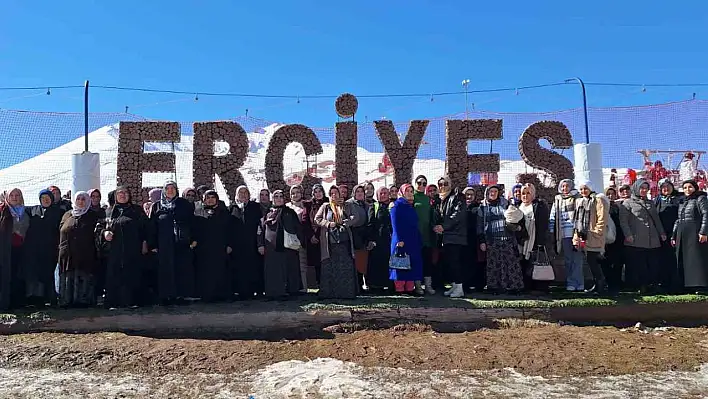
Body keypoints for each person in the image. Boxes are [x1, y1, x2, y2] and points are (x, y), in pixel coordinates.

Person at [149, 181, 197, 304]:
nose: (170, 191)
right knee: (165, 269)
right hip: (164, 243)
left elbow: (193, 223)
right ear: (164, 191)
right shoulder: (157, 206)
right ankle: (166, 296)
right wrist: (153, 244)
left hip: (182, 242)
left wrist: (193, 239)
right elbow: (152, 226)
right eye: (167, 188)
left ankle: (181, 296)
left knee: (181, 268)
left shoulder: (184, 204)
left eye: (173, 188)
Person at [101, 187, 149, 308]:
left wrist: (145, 243)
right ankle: (114, 302)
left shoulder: (136, 210)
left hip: (133, 248)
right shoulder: (109, 211)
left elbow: (145, 228)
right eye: (120, 193)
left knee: (132, 274)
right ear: (115, 196)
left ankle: (132, 301)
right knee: (114, 275)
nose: (123, 195)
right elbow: (101, 227)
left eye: (126, 193)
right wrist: (104, 233)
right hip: (114, 250)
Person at [619, 179, 667, 294]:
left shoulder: (650, 203)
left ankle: (654, 284)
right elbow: (623, 221)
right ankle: (642, 285)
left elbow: (656, 220)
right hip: (637, 239)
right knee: (640, 264)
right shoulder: (627, 203)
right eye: (642, 188)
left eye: (646, 188)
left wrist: (662, 233)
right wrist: (628, 234)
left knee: (653, 263)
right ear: (636, 188)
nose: (644, 190)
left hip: (653, 238)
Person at [314, 186, 358, 299]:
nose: (334, 195)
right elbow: (317, 219)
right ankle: (329, 293)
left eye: (336, 193)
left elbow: (355, 217)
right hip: (330, 242)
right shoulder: (326, 206)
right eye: (331, 193)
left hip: (344, 241)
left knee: (344, 267)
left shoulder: (347, 205)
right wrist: (328, 224)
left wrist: (346, 222)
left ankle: (346, 293)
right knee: (330, 267)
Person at [478, 185, 523, 294]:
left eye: (495, 191)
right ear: (487, 193)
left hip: (507, 238)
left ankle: (513, 287)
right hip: (491, 239)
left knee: (511, 264)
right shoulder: (482, 207)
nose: (493, 193)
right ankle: (494, 287)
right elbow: (479, 225)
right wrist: (482, 241)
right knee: (494, 265)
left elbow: (514, 217)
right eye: (491, 191)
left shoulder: (506, 204)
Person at [58, 192, 100, 307]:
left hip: (85, 253)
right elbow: (61, 231)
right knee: (68, 275)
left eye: (83, 199)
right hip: (67, 253)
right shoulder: (67, 215)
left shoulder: (92, 215)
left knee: (84, 275)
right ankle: (67, 300)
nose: (81, 201)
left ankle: (83, 301)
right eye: (78, 199)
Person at [258, 190, 303, 299]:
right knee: (274, 270)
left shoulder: (290, 212)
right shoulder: (267, 213)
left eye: (281, 196)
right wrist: (260, 245)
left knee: (290, 269)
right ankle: (274, 292)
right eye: (276, 196)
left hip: (288, 247)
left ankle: (291, 290)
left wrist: (300, 241)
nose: (278, 199)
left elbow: (298, 228)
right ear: (272, 199)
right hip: (271, 248)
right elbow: (260, 229)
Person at [23, 189, 63, 306]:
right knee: (35, 274)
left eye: (48, 198)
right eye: (43, 198)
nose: (45, 200)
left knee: (49, 273)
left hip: (51, 248)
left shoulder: (58, 212)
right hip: (34, 249)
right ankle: (35, 299)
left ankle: (51, 298)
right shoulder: (33, 210)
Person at [193, 190, 234, 302]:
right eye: (207, 197)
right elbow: (195, 230)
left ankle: (222, 294)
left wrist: (230, 244)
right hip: (204, 248)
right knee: (206, 272)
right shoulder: (198, 212)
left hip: (220, 247)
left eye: (212, 197)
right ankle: (207, 295)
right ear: (204, 199)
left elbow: (230, 231)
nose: (210, 200)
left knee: (221, 271)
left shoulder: (224, 212)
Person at [572, 181, 609, 293]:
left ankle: (601, 284)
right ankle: (597, 284)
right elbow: (577, 219)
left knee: (593, 260)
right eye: (581, 189)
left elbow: (601, 217)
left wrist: (597, 231)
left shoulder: (598, 199)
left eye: (585, 188)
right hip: (583, 235)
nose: (583, 191)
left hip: (594, 235)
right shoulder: (581, 201)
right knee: (590, 261)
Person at [672, 180, 708, 291]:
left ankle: (700, 285)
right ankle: (686, 285)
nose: (687, 190)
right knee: (685, 258)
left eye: (690, 187)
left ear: (695, 188)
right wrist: (674, 235)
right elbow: (678, 220)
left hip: (695, 232)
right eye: (685, 188)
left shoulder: (700, 198)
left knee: (696, 258)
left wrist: (703, 232)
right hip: (683, 233)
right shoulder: (682, 201)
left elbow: (706, 214)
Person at [230, 185, 264, 299]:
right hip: (238, 246)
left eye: (245, 192)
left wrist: (260, 243)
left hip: (253, 244)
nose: (243, 194)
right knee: (239, 269)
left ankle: (257, 290)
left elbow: (260, 225)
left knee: (254, 267)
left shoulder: (255, 207)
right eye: (241, 192)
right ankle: (241, 292)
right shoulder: (232, 208)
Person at [390, 184, 424, 295]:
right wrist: (400, 239)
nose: (410, 193)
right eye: (407, 191)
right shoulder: (397, 206)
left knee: (411, 263)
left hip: (412, 239)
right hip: (401, 240)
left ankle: (409, 288)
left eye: (411, 191)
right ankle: (400, 289)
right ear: (402, 193)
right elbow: (395, 224)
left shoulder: (410, 206)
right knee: (400, 263)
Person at [550, 179, 583, 291]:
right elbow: (553, 215)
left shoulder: (577, 198)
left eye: (567, 186)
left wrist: (579, 232)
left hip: (576, 234)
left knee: (577, 259)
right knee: (568, 259)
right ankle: (571, 282)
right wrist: (551, 230)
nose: (565, 188)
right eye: (563, 186)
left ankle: (579, 282)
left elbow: (581, 214)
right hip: (563, 234)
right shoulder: (558, 199)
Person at [517, 183, 551, 293]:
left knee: (535, 263)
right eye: (523, 193)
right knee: (523, 264)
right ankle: (524, 286)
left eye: (528, 193)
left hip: (535, 241)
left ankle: (538, 287)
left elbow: (543, 224)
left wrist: (541, 241)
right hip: (521, 241)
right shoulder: (518, 206)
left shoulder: (539, 205)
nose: (525, 196)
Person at [0, 189, 29, 309]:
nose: (14, 197)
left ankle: (17, 303)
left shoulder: (26, 212)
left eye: (17, 195)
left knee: (18, 275)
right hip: (4, 249)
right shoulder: (3, 211)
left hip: (21, 249)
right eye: (11, 195)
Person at [438, 186, 467, 298]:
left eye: (445, 183)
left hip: (456, 236)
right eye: (440, 184)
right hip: (448, 236)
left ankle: (459, 288)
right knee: (450, 262)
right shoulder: (443, 199)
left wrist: (443, 227)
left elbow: (457, 215)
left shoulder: (457, 197)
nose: (443, 186)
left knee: (455, 263)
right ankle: (455, 286)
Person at [655, 179, 683, 291]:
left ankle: (678, 284)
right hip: (662, 235)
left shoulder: (680, 199)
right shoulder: (657, 200)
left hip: (677, 233)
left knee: (676, 258)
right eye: (663, 187)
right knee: (664, 259)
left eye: (668, 186)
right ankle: (665, 283)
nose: (666, 189)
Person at [345, 185, 374, 291]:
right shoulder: (349, 204)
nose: (360, 193)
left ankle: (364, 284)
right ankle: (356, 285)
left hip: (364, 235)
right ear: (354, 193)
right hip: (353, 234)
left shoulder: (367, 205)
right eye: (357, 191)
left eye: (362, 191)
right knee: (355, 261)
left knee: (363, 261)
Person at [412, 175, 435, 296]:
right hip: (415, 234)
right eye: (419, 183)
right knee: (416, 261)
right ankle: (417, 286)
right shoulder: (411, 197)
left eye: (424, 183)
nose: (421, 185)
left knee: (427, 260)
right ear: (415, 183)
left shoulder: (427, 199)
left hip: (427, 235)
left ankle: (428, 285)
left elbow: (431, 217)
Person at [367, 187, 393, 292]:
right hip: (377, 241)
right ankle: (376, 286)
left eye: (385, 193)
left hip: (390, 240)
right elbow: (370, 224)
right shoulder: (374, 206)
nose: (383, 195)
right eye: (381, 193)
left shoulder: (393, 206)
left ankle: (390, 285)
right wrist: (371, 239)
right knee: (377, 263)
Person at [287, 185, 312, 292]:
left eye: (297, 192)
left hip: (301, 239)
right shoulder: (286, 207)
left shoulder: (306, 206)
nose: (295, 195)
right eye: (293, 193)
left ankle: (304, 288)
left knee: (302, 264)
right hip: (289, 240)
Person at [601, 187, 625, 294]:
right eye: (608, 194)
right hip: (606, 239)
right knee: (605, 262)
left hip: (618, 238)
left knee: (617, 263)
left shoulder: (619, 206)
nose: (610, 196)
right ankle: (608, 283)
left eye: (612, 194)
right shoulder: (602, 206)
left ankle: (617, 284)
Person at [305, 184, 328, 287]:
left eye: (320, 191)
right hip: (312, 237)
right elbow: (305, 221)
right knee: (316, 262)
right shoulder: (309, 205)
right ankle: (319, 284)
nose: (318, 194)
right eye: (316, 192)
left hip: (324, 236)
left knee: (325, 260)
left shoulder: (327, 203)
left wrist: (318, 235)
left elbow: (325, 219)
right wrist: (311, 235)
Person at [463, 187, 484, 292]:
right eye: (467, 194)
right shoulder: (460, 206)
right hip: (462, 238)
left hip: (473, 238)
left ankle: (474, 283)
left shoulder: (478, 207)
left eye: (471, 194)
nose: (469, 196)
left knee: (473, 261)